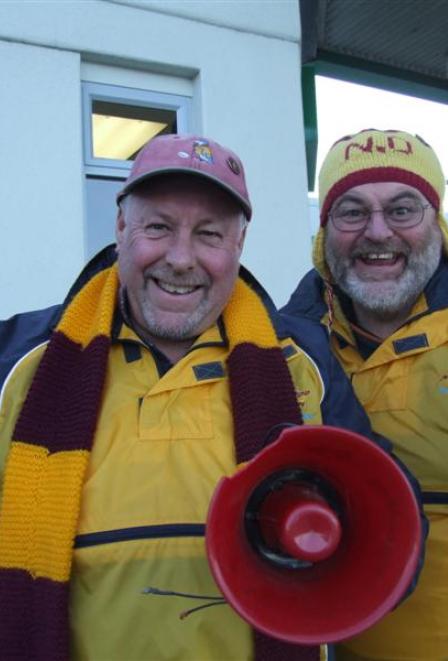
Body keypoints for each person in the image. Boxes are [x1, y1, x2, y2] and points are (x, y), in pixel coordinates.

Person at [0, 134, 404, 661]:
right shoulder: (19, 359)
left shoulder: (305, 359)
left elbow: (385, 507)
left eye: (209, 234)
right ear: (122, 229)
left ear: (238, 246)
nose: (181, 258)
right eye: (159, 227)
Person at [282, 128, 448, 660]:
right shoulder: (284, 345)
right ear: (325, 230)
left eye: (403, 209)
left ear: (439, 224)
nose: (378, 233)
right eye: (351, 212)